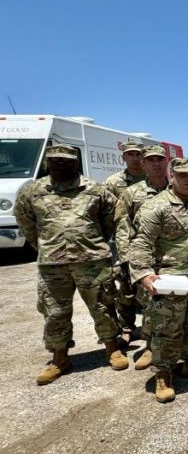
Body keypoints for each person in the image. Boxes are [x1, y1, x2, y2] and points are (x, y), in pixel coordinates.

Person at [14, 144, 127, 385]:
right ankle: (59, 358)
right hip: (52, 263)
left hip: (92, 260)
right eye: (55, 160)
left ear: (76, 162)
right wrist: (45, 245)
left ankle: (112, 348)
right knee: (54, 312)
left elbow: (111, 218)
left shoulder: (95, 189)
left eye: (66, 160)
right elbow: (25, 222)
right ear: (48, 162)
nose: (61, 164)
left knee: (103, 307)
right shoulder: (32, 191)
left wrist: (94, 241)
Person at [130, 157, 188, 403]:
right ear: (172, 176)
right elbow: (141, 243)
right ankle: (164, 374)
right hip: (171, 280)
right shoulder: (156, 206)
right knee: (167, 328)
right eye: (183, 175)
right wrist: (144, 273)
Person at [114, 145, 169, 368]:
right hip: (145, 259)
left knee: (173, 305)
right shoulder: (132, 193)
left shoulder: (176, 189)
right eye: (151, 160)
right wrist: (128, 260)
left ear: (166, 163)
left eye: (159, 159)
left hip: (172, 257)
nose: (156, 163)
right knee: (149, 304)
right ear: (143, 164)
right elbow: (122, 227)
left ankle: (175, 346)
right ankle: (150, 347)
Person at [105, 140, 148, 344]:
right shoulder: (114, 183)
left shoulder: (156, 180)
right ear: (124, 157)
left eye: (138, 154)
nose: (135, 158)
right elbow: (109, 215)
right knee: (126, 289)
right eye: (130, 154)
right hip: (124, 241)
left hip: (150, 244)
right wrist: (122, 250)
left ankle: (150, 330)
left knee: (149, 291)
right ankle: (127, 328)